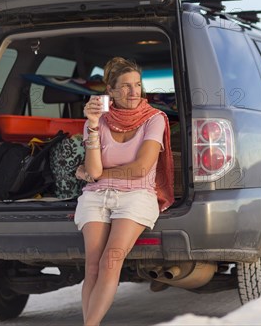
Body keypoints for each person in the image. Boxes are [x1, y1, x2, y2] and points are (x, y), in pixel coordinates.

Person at [74, 57, 174, 326]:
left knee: (111, 260)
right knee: (92, 266)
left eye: (138, 85)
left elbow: (141, 168)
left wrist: (92, 174)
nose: (134, 92)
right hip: (96, 196)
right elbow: (94, 169)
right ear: (111, 91)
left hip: (136, 195)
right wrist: (93, 124)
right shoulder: (96, 122)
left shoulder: (154, 119)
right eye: (126, 86)